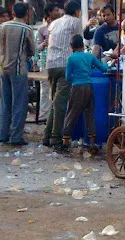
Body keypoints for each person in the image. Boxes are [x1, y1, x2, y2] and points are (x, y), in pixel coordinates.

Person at [43, 1, 82, 147]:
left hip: (51, 65)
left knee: (55, 102)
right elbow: (78, 44)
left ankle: (47, 136)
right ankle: (55, 138)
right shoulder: (75, 22)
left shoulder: (54, 23)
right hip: (65, 64)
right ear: (77, 11)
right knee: (60, 103)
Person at [62, 34, 108, 153]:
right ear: (83, 45)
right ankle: (92, 143)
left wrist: (76, 79)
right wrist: (108, 62)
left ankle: (65, 142)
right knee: (89, 115)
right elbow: (103, 68)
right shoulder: (90, 57)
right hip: (89, 87)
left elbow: (67, 77)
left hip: (77, 87)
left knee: (71, 113)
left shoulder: (71, 58)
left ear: (71, 46)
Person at [0, 2, 35, 145]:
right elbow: (32, 50)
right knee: (19, 104)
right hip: (18, 69)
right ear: (27, 13)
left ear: (12, 11)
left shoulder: (3, 27)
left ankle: (3, 134)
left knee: (5, 103)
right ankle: (15, 136)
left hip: (3, 68)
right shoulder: (26, 29)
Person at [34, 3, 60, 121]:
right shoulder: (42, 29)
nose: (58, 12)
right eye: (56, 10)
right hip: (45, 63)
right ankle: (44, 116)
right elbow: (36, 48)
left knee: (56, 90)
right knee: (45, 91)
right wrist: (44, 43)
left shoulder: (61, 27)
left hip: (58, 62)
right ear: (49, 13)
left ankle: (54, 116)